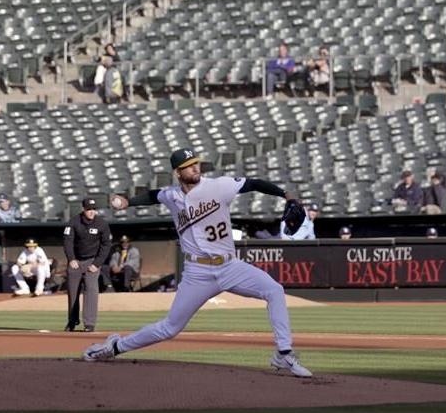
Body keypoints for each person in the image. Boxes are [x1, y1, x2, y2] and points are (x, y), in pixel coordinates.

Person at [82, 148, 312, 378]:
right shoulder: (172, 196)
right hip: (197, 272)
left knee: (274, 290)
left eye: (196, 163)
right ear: (177, 173)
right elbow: (154, 196)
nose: (195, 167)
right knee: (170, 328)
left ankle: (284, 353)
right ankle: (113, 347)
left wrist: (286, 194)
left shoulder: (218, 186)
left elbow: (253, 183)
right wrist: (127, 202)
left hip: (230, 266)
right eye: (188, 165)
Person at [63, 197, 112, 333]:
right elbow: (67, 241)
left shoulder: (101, 224)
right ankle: (72, 321)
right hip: (76, 261)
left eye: (93, 209)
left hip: (92, 261)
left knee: (91, 290)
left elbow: (106, 245)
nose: (91, 212)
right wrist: (71, 259)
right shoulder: (73, 222)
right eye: (89, 209)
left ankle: (89, 324)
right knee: (73, 292)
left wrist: (97, 263)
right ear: (83, 209)